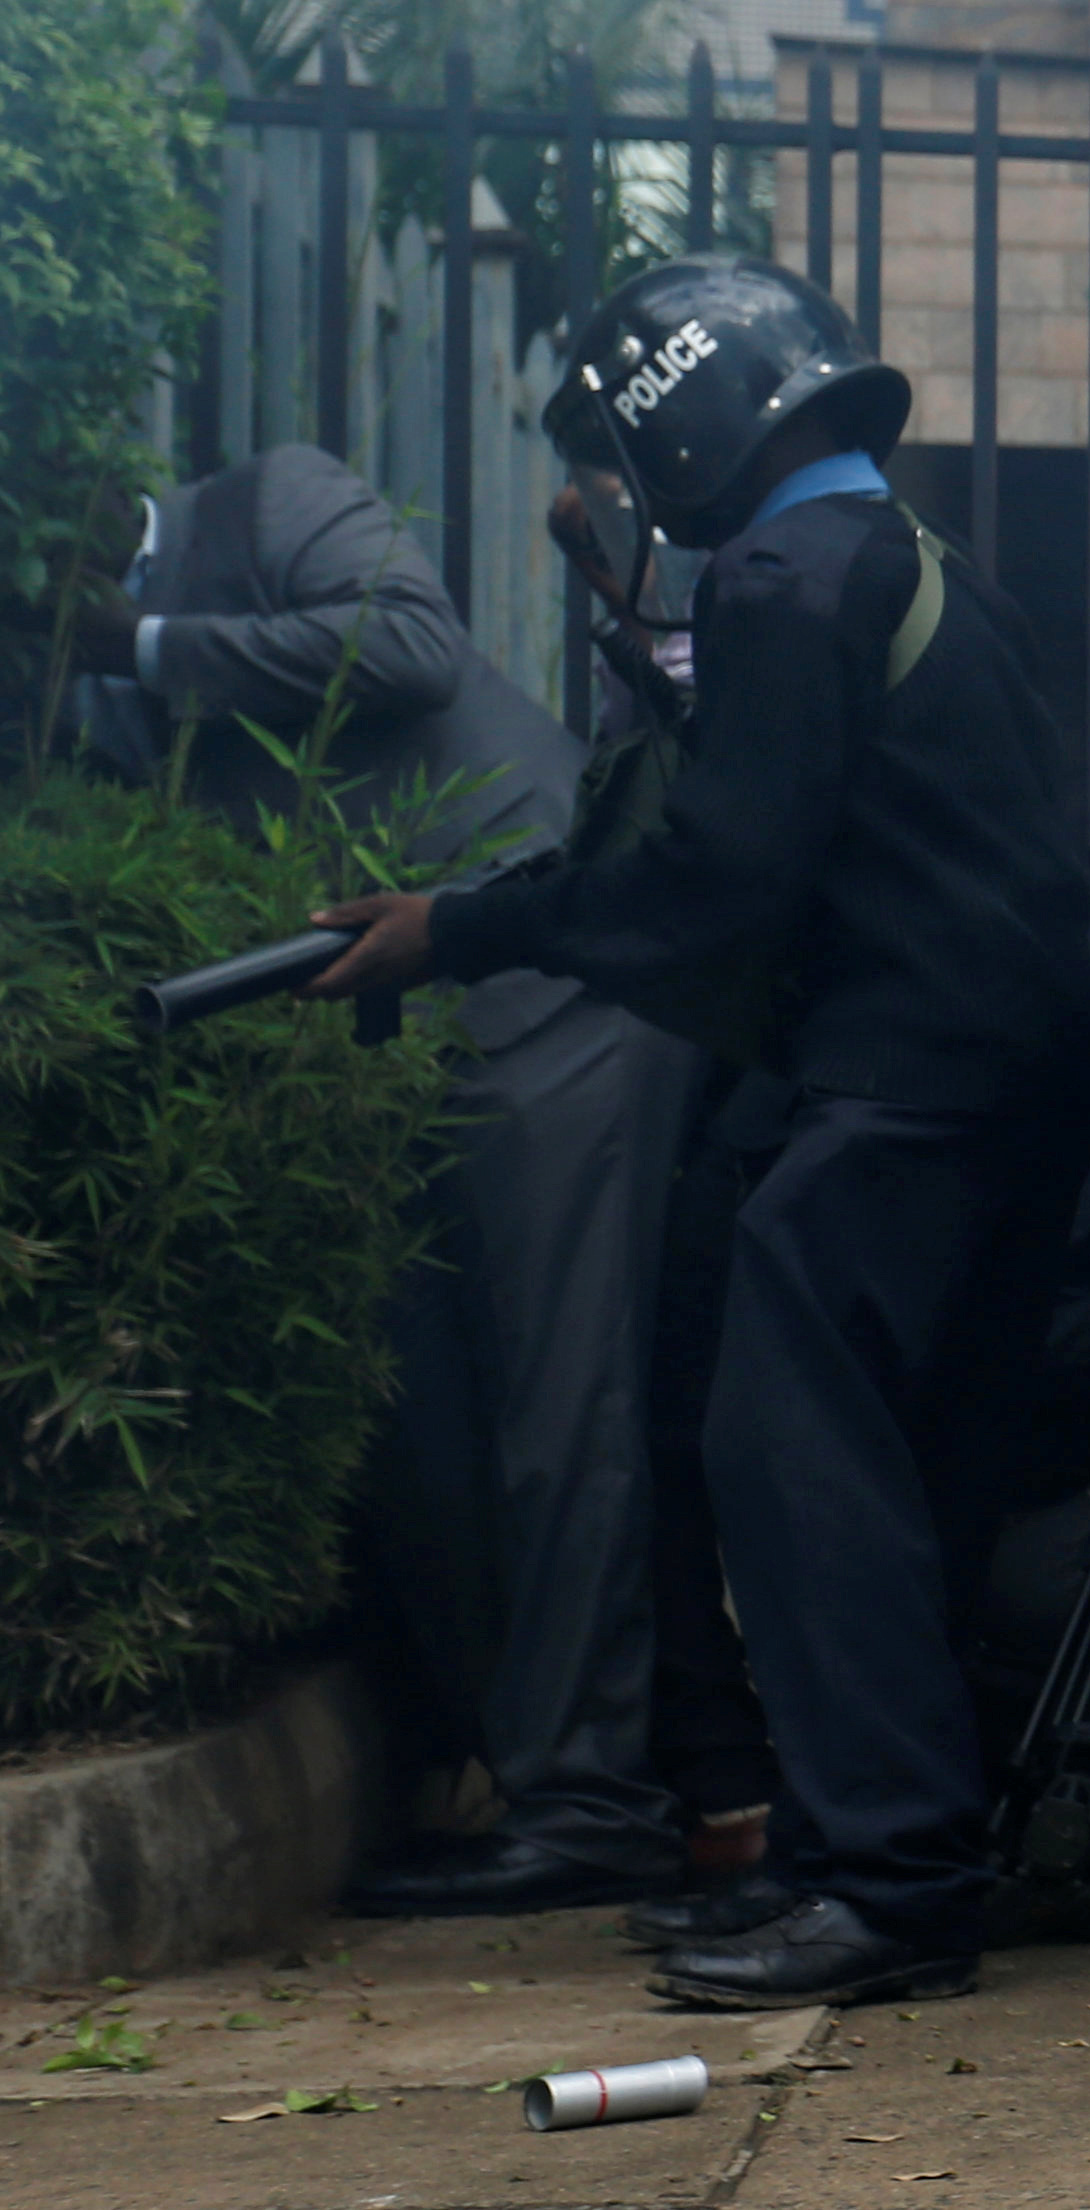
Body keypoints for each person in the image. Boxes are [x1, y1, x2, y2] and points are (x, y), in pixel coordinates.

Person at [306, 255, 1090, 2008]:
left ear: (669, 432)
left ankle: (891, 1892)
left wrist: (465, 928)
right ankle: (866, 1856)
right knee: (907, 1483)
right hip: (1022, 1080)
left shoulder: (772, 574)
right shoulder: (914, 558)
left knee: (798, 1477)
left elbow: (716, 878)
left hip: (899, 1088)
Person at [6, 443, 709, 1918]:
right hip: (388, 1040)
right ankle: (521, 1755)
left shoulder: (270, 503)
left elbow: (405, 642)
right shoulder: (65, 686)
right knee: (418, 1421)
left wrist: (129, 643)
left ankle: (594, 1801)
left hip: (537, 978)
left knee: (558, 1404)